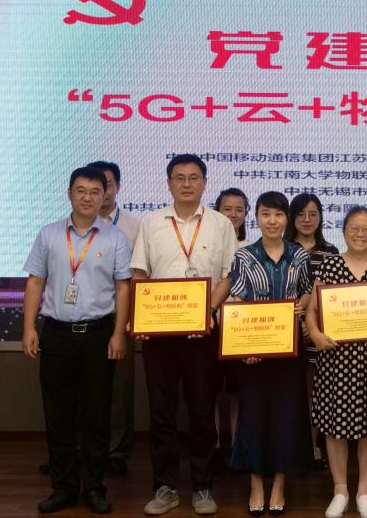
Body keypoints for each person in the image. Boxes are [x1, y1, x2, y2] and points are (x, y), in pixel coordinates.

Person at [131, 154, 239, 516]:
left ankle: (203, 486)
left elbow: (228, 276)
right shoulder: (151, 223)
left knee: (202, 411)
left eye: (194, 177)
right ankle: (165, 487)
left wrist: (207, 311)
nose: (187, 184)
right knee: (161, 412)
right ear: (169, 183)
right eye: (180, 178)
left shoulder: (221, 224)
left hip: (203, 333)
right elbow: (140, 275)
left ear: (205, 183)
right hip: (159, 334)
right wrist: (142, 317)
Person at [22, 166, 132, 515]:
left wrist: (119, 333)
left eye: (95, 191)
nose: (88, 197)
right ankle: (64, 487)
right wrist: (29, 328)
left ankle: (95, 488)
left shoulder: (115, 238)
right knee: (59, 415)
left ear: (105, 195)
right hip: (56, 334)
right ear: (69, 193)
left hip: (99, 335)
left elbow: (123, 287)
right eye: (81, 190)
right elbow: (35, 282)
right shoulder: (49, 235)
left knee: (97, 416)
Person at [306, 206, 367, 518]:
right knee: (335, 428)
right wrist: (315, 334)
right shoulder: (330, 265)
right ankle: (340, 490)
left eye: (366, 230)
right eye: (354, 229)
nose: (360, 234)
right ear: (344, 231)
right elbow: (312, 311)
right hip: (336, 360)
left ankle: (364, 491)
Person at [228, 191, 313, 516]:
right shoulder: (244, 256)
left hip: (288, 350)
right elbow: (237, 302)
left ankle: (279, 482)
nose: (272, 221)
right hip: (253, 351)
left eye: (278, 215)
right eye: (266, 214)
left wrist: (299, 307)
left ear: (286, 219)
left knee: (286, 417)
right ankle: (256, 484)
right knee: (253, 417)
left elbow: (306, 292)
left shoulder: (298, 255)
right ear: (257, 217)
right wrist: (244, 347)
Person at [86, 160, 141, 477]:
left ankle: (117, 450)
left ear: (117, 187)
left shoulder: (134, 226)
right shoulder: (73, 226)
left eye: (106, 184)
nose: (101, 192)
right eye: (93, 186)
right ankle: (81, 449)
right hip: (83, 314)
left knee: (119, 387)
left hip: (122, 316)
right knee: (81, 386)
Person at [285, 192, 341, 469]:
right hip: (283, 332)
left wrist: (312, 326)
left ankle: (313, 446)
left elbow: (331, 297)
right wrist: (299, 324)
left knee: (316, 392)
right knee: (290, 393)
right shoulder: (281, 248)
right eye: (301, 214)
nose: (307, 220)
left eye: (313, 214)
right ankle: (290, 447)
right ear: (292, 218)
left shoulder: (330, 251)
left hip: (317, 333)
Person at [213, 187, 250, 471]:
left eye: (239, 209)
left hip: (243, 329)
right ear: (217, 211)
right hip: (211, 326)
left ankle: (238, 447)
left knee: (239, 392)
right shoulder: (208, 244)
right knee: (210, 390)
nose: (233, 214)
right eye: (228, 209)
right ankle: (214, 447)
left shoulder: (252, 246)